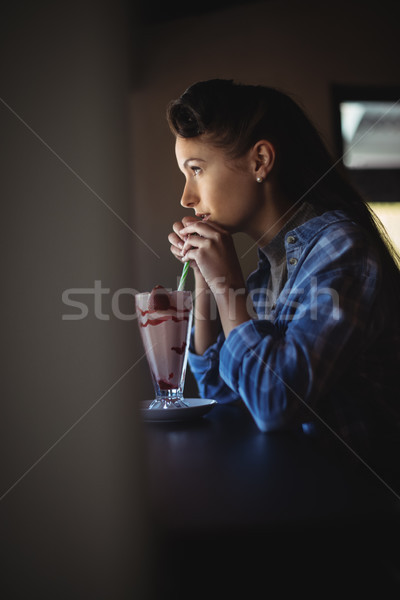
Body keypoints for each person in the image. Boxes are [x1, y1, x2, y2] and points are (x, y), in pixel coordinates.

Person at [167, 78, 400, 475]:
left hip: (362, 501)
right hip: (297, 488)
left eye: (196, 169)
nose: (186, 197)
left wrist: (228, 287)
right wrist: (206, 278)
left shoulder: (340, 248)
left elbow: (273, 403)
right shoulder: (267, 273)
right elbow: (221, 392)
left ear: (260, 161)